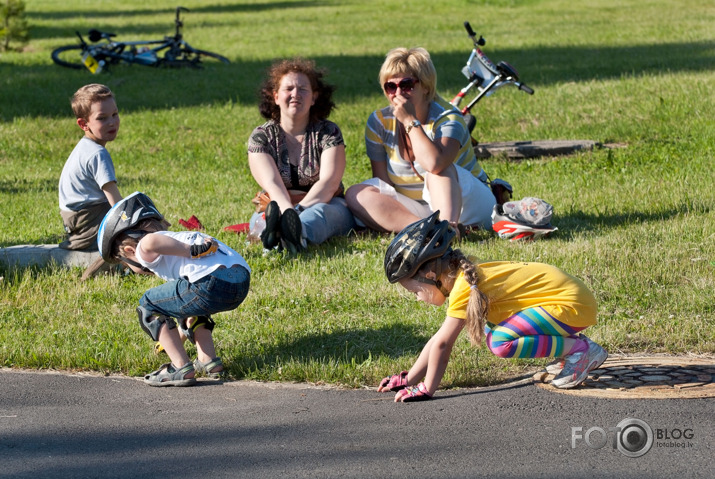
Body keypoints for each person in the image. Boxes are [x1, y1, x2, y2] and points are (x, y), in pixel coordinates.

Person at [378, 212, 608, 402]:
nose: (418, 299)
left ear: (429, 274)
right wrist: (408, 380)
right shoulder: (464, 280)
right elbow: (438, 339)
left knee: (499, 343)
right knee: (491, 329)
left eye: (415, 291)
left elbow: (443, 345)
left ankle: (580, 351)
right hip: (569, 301)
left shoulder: (464, 287)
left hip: (571, 304)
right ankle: (575, 351)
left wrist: (426, 388)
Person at [97, 192, 251, 387]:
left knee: (148, 304)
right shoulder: (178, 239)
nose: (131, 269)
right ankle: (208, 361)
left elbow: (149, 242)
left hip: (209, 283)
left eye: (125, 264)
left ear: (129, 252)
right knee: (189, 306)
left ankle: (180, 367)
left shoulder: (144, 246)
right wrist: (173, 337)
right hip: (240, 281)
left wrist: (191, 251)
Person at [345, 47, 496, 234]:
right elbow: (383, 184)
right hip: (419, 208)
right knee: (355, 194)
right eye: (390, 86)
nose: (398, 92)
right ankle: (428, 231)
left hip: (470, 203)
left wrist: (409, 121)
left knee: (438, 172)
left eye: (407, 84)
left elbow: (435, 163)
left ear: (425, 86)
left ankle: (448, 230)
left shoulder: (448, 118)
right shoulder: (379, 122)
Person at [246, 57, 355, 253]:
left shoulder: (329, 132)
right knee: (259, 219)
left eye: (303, 89)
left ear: (314, 97)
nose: (295, 94)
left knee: (319, 216)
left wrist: (295, 215)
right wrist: (285, 211)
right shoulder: (261, 137)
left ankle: (291, 235)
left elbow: (329, 184)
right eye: (288, 89)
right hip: (277, 202)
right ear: (276, 96)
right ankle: (277, 237)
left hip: (326, 204)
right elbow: (273, 185)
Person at [58, 83, 123, 251]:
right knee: (141, 225)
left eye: (115, 114)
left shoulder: (86, 146)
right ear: (83, 124)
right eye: (102, 118)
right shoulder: (98, 154)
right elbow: (116, 204)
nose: (112, 122)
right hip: (87, 220)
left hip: (75, 218)